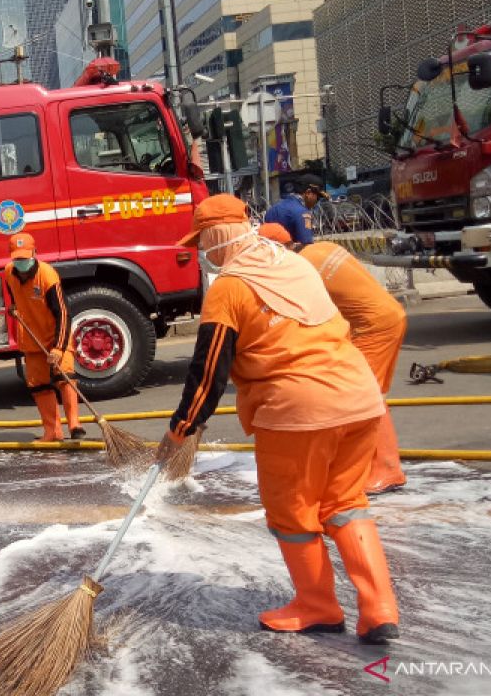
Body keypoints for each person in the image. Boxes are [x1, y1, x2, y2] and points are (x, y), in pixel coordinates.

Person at [156, 194, 400, 645]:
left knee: (293, 513)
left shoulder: (230, 286)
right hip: (359, 398)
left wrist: (181, 429)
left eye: (203, 243)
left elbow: (209, 371)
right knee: (345, 504)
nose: (202, 253)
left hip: (298, 413)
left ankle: (317, 605)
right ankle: (379, 609)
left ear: (215, 238)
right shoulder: (293, 264)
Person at [258, 222, 408, 493]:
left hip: (372, 327)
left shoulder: (300, 268)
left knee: (362, 398)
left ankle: (386, 470)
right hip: (389, 315)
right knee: (369, 394)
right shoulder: (323, 248)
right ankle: (369, 466)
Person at [1, 232, 82, 442]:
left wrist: (58, 347)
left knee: (65, 376)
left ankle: (74, 424)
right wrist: (13, 308)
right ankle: (53, 432)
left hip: (55, 336)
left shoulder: (47, 276)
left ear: (34, 253)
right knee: (39, 385)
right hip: (31, 338)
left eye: (25, 258)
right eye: (17, 259)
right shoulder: (9, 272)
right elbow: (12, 296)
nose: (21, 263)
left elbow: (63, 313)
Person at [263, 173, 326, 249]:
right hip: (290, 258)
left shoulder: (273, 209)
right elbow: (306, 246)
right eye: (318, 197)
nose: (317, 201)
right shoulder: (303, 213)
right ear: (308, 193)